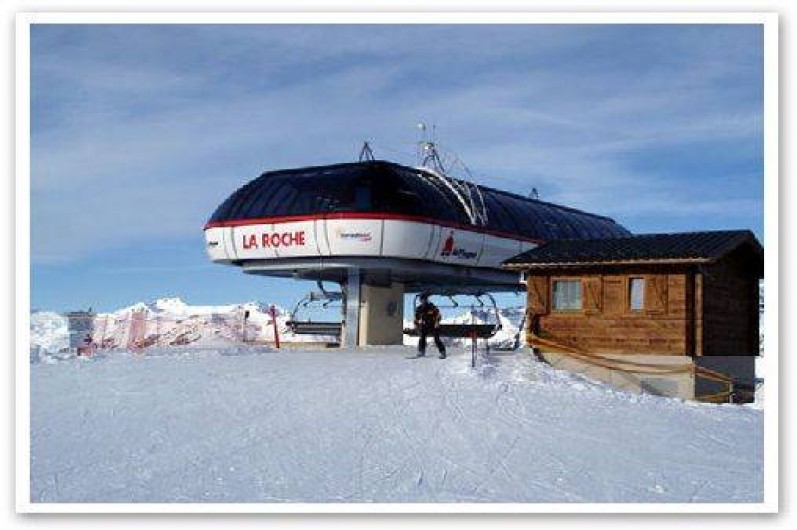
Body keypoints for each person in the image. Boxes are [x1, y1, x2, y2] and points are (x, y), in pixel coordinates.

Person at [414, 294, 446, 359]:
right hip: (425, 325)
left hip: (433, 324)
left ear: (426, 300)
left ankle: (442, 352)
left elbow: (438, 315)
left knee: (436, 339)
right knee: (422, 337)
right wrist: (416, 323)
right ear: (420, 300)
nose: (423, 301)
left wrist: (437, 322)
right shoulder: (419, 308)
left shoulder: (432, 307)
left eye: (424, 299)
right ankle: (421, 351)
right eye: (422, 300)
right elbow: (417, 317)